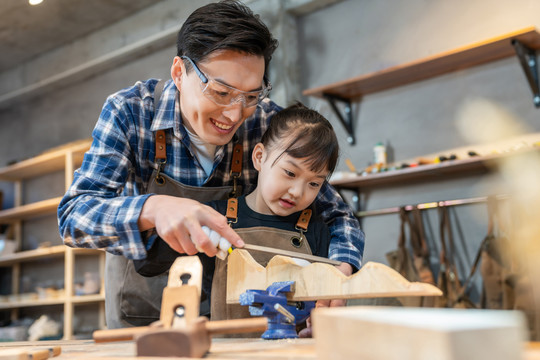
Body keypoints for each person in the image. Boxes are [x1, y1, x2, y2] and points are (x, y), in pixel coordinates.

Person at [57, 0, 364, 330]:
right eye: (220, 92)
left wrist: (340, 268)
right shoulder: (131, 113)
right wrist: (154, 208)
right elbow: (75, 216)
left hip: (236, 315)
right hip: (148, 313)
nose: (235, 114)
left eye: (250, 95)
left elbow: (338, 214)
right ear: (179, 72)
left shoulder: (265, 121)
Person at [135, 103, 348, 331]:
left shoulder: (316, 229)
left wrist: (316, 327)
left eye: (314, 183)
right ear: (259, 157)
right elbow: (147, 265)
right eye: (290, 173)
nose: (297, 191)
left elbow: (324, 304)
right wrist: (183, 233)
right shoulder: (216, 217)